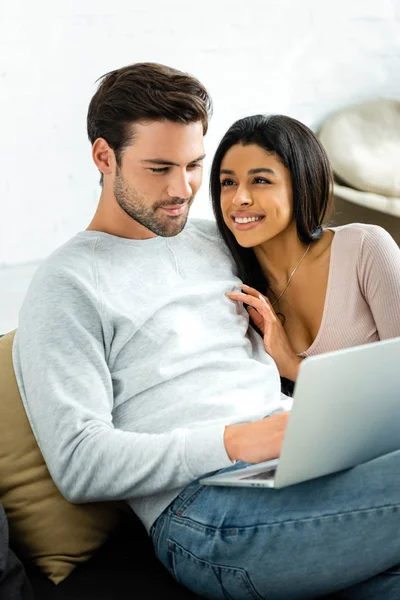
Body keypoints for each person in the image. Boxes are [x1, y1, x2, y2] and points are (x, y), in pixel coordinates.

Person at [12, 63, 400, 600]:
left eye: (195, 165)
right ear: (105, 157)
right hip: (206, 518)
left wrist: (291, 369)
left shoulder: (215, 242)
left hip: (297, 467)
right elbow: (78, 463)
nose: (183, 189)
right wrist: (237, 441)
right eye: (159, 168)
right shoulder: (66, 284)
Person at [210, 114, 400, 386]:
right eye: (228, 182)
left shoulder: (365, 248)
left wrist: (293, 367)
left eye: (260, 180)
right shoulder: (232, 284)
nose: (239, 199)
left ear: (302, 184)